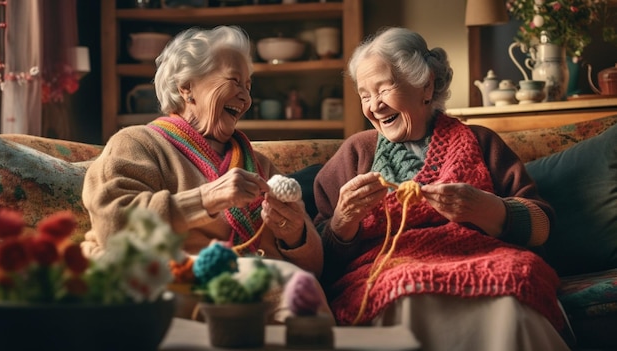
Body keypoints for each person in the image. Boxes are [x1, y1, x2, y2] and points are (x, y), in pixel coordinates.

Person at [313, 27, 572, 350]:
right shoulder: (355, 153)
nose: (374, 106)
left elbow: (541, 227)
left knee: (515, 279)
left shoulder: (481, 141)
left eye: (383, 89)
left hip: (484, 256)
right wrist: (343, 221)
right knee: (401, 285)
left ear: (426, 85)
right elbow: (318, 259)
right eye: (365, 95)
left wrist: (487, 208)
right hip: (390, 269)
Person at [81, 25, 329, 321]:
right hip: (156, 277)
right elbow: (115, 227)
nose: (245, 98)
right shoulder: (137, 143)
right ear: (186, 87)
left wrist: (295, 234)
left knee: (300, 288)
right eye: (234, 81)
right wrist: (206, 198)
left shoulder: (259, 165)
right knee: (290, 285)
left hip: (238, 282)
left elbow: (314, 268)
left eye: (248, 86)